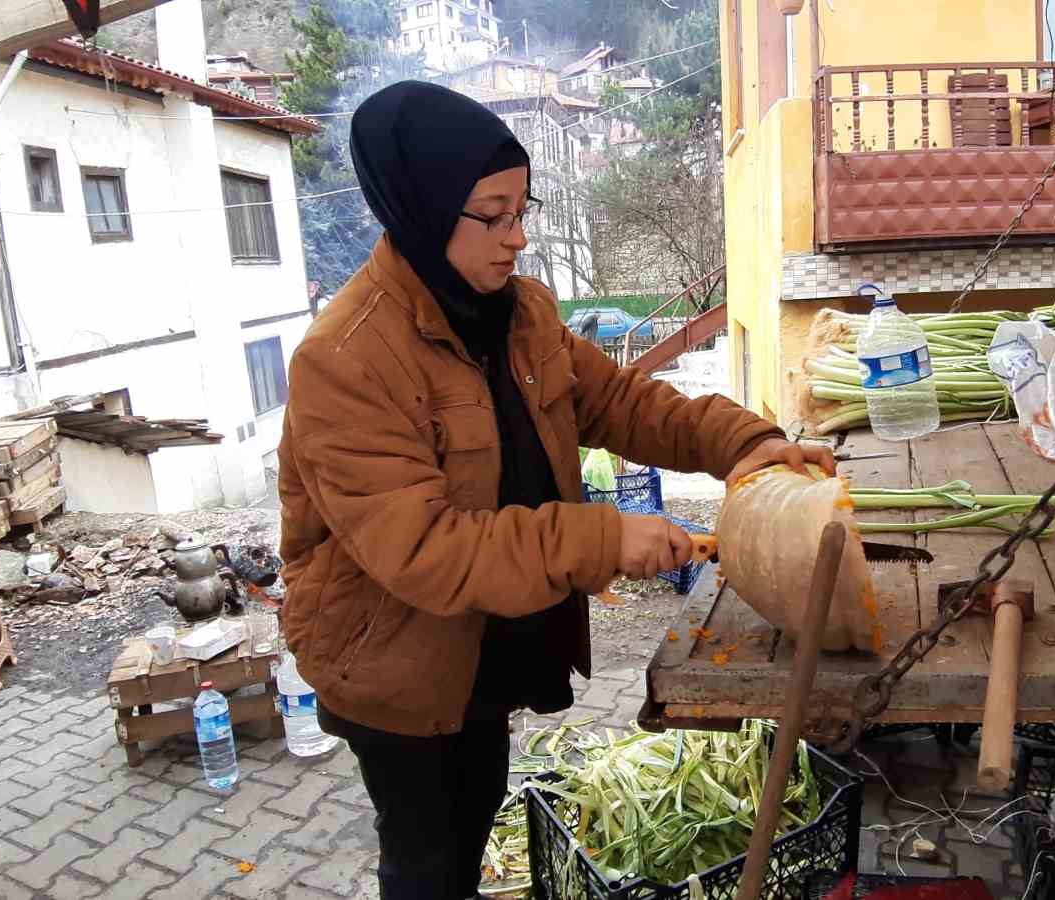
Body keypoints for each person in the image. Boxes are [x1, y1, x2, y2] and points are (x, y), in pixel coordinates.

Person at [277, 81, 834, 900]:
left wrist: (744, 443)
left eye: (522, 209)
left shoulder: (518, 309)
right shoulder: (345, 360)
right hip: (395, 656)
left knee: (474, 806)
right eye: (494, 216)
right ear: (425, 210)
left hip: (481, 636)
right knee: (429, 857)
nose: (519, 238)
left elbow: (622, 402)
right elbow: (424, 550)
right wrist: (604, 540)